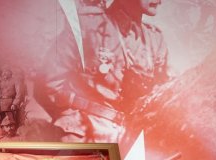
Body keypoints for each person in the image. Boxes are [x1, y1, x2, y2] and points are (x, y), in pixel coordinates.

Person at [39, 0, 169, 142]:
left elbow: (161, 97)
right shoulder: (88, 26)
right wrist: (70, 121)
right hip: (81, 133)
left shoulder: (155, 41)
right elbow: (47, 84)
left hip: (124, 140)